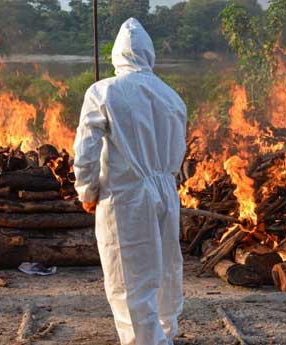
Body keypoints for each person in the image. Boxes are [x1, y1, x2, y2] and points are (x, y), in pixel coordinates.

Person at [73, 18, 187, 345]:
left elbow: (87, 147)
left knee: (128, 276)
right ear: (149, 55)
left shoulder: (104, 91)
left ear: (117, 55)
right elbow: (178, 151)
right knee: (165, 269)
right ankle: (165, 332)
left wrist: (87, 190)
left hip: (126, 194)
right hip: (166, 189)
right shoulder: (172, 97)